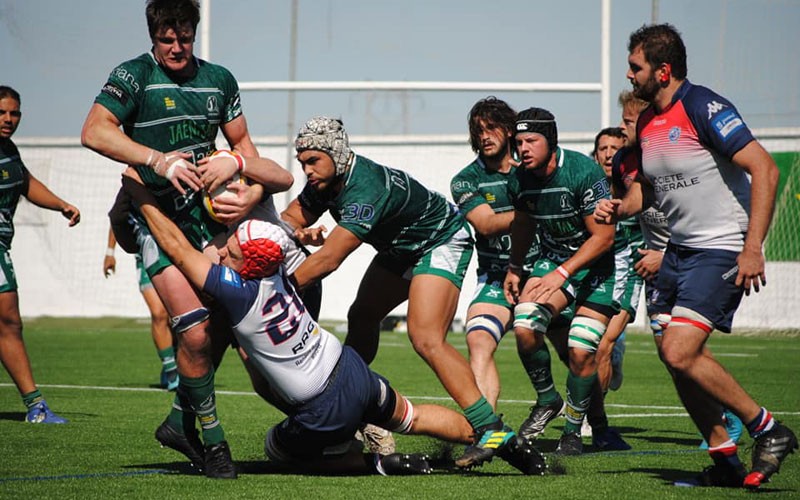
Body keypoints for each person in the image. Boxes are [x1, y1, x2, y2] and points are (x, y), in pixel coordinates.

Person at [120, 170, 545, 477]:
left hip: (322, 405)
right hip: (349, 368)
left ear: (246, 263)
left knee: (280, 452)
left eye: (229, 248)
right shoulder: (280, 277)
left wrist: (142, 198)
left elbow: (176, 247)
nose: (222, 249)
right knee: (411, 416)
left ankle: (379, 463)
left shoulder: (237, 289)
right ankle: (502, 439)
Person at [81, 0, 292, 479]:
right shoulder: (134, 76)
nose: (176, 47)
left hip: (203, 218)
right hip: (150, 214)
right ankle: (214, 442)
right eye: (166, 39)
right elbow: (93, 131)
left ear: (194, 34)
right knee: (194, 330)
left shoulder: (219, 79)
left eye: (184, 38)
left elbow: (244, 147)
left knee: (222, 320)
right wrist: (160, 161)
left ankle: (178, 421)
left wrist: (251, 193)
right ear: (153, 35)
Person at [595, 23, 796, 488]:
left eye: (636, 66)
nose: (629, 75)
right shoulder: (647, 121)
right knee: (673, 356)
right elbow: (645, 189)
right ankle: (724, 458)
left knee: (681, 349)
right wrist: (618, 205)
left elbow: (764, 169)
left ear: (663, 71)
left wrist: (752, 248)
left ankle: (768, 428)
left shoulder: (705, 107)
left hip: (722, 245)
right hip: (678, 252)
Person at [282, 116, 519, 469]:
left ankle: (490, 427)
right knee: (361, 316)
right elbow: (289, 217)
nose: (307, 171)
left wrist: (275, 291)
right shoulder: (324, 182)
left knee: (425, 337)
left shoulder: (365, 186)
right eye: (302, 163)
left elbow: (330, 259)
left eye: (313, 161)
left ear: (336, 153)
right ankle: (355, 406)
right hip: (401, 249)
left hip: (440, 240)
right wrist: (269, 237)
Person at [614, 90, 743, 450]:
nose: (623, 126)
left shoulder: (674, 158)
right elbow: (631, 202)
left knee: (685, 348)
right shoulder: (625, 162)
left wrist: (664, 253)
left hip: (688, 258)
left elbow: (693, 220)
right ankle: (718, 430)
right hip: (659, 266)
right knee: (668, 350)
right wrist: (616, 209)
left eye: (628, 120)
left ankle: (731, 417)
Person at [503, 107, 617, 456]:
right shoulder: (518, 178)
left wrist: (562, 274)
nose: (523, 148)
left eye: (531, 140)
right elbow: (522, 224)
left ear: (550, 141)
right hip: (552, 262)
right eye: (519, 141)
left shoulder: (583, 171)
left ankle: (572, 431)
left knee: (582, 351)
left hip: (595, 268)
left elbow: (603, 237)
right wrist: (515, 266)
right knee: (524, 323)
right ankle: (547, 399)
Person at [449, 96, 540, 410]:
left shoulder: (532, 172)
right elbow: (486, 225)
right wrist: (532, 214)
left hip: (542, 272)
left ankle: (589, 420)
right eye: (478, 131)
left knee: (576, 352)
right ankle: (485, 429)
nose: (484, 136)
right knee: (478, 340)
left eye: (491, 128)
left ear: (509, 130)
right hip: (495, 276)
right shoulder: (465, 180)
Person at [0, 85, 80, 424]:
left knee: (8, 323)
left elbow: (27, 183)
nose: (8, 119)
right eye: (2, 112)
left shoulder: (9, 151)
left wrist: (60, 204)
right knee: (9, 321)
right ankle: (36, 406)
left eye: (14, 113)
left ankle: (36, 405)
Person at [103, 226, 178, 390]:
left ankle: (175, 359)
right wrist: (110, 252)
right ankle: (171, 372)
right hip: (145, 257)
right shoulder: (134, 199)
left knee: (177, 316)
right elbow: (118, 216)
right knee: (159, 314)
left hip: (174, 254)